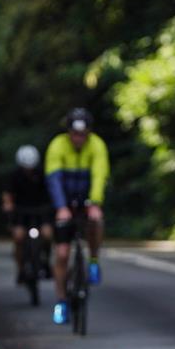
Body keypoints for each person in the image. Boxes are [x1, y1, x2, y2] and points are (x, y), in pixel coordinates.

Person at [45, 108, 110, 325]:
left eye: (83, 134)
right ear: (68, 132)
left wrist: (94, 203)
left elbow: (100, 175)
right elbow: (53, 180)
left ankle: (93, 260)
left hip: (87, 201)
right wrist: (61, 207)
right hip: (64, 202)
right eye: (75, 133)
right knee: (62, 254)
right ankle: (61, 301)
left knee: (96, 221)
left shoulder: (97, 145)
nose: (79, 138)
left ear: (89, 133)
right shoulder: (57, 145)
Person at [1, 145, 54, 284]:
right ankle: (20, 269)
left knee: (47, 235)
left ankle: (46, 261)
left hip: (41, 211)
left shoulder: (43, 173)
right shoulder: (14, 175)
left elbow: (51, 191)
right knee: (18, 238)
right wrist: (8, 205)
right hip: (21, 212)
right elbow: (7, 195)